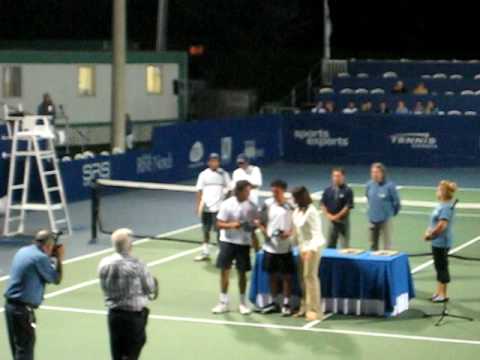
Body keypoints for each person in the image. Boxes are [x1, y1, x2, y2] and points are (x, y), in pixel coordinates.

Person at [98, 228, 159, 360]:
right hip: (133, 318)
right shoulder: (137, 264)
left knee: (117, 355)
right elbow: (150, 288)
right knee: (131, 354)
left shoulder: (104, 263)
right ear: (130, 246)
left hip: (114, 316)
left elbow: (104, 286)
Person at [4, 230, 64, 360]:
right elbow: (56, 278)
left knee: (18, 349)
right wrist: (59, 258)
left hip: (11, 307)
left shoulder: (24, 251)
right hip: (22, 310)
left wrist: (49, 256)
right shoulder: (40, 258)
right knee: (25, 349)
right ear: (47, 246)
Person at [212, 180, 259, 315]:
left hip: (243, 243)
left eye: (249, 191)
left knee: (242, 273)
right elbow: (219, 224)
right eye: (247, 191)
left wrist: (253, 228)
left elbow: (255, 226)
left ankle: (243, 303)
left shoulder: (252, 206)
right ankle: (223, 302)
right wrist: (235, 225)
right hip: (227, 242)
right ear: (239, 191)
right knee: (224, 271)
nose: (249, 193)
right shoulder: (227, 204)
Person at [257, 179, 295, 316]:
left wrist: (289, 233)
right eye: (272, 191)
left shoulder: (291, 205)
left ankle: (286, 303)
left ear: (283, 191)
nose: (274, 194)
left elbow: (296, 224)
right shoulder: (267, 204)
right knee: (272, 275)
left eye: (277, 191)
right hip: (270, 248)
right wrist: (265, 232)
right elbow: (259, 221)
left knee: (287, 277)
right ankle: (274, 302)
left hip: (286, 248)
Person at [291, 186, 325, 321]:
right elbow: (297, 233)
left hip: (313, 248)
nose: (293, 200)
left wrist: (311, 250)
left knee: (310, 277)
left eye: (295, 197)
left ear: (301, 197)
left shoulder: (312, 212)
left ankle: (315, 311)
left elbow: (317, 233)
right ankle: (304, 307)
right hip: (302, 248)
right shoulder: (296, 211)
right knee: (302, 278)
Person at [424, 181, 457, 303]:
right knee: (438, 267)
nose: (436, 191)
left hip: (442, 242)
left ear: (443, 192)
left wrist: (431, 236)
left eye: (438, 189)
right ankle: (438, 292)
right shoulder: (441, 205)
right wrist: (428, 231)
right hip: (436, 242)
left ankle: (443, 294)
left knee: (442, 267)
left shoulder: (447, 207)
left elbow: (442, 225)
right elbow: (433, 222)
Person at [195, 153, 231, 261]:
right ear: (208, 162)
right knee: (205, 231)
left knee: (219, 231)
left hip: (219, 208)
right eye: (212, 161)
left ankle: (221, 251)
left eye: (216, 161)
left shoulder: (224, 174)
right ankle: (205, 252)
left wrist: (225, 202)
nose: (214, 163)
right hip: (206, 208)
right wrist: (198, 206)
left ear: (219, 162)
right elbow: (199, 191)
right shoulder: (203, 174)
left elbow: (230, 188)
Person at [366, 163, 401, 250]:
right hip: (372, 219)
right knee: (372, 245)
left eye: (377, 172)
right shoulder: (369, 185)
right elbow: (368, 197)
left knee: (387, 245)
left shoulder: (390, 186)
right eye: (373, 172)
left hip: (385, 220)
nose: (375, 174)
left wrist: (390, 214)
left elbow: (397, 203)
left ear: (382, 173)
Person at [321, 168, 354, 249]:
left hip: (343, 222)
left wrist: (337, 216)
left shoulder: (348, 190)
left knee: (345, 246)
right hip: (332, 222)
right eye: (334, 176)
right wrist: (328, 215)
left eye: (338, 176)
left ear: (343, 177)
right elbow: (322, 204)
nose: (336, 178)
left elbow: (348, 206)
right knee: (330, 245)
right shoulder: (328, 190)